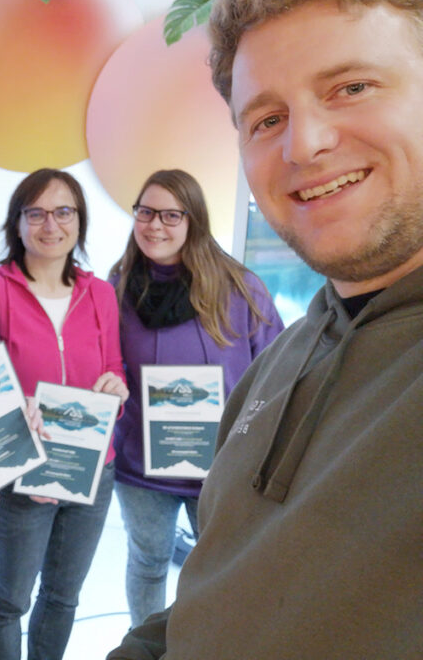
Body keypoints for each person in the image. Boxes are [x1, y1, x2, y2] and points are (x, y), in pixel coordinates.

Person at [107, 0, 423, 659]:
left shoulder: (244, 294)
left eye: (351, 87)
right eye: (267, 118)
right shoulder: (283, 362)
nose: (303, 144)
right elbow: (218, 587)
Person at [107, 168, 283, 629]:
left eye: (171, 215)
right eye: (146, 212)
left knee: (222, 569)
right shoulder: (118, 287)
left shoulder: (241, 289)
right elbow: (106, 364)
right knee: (147, 561)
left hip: (220, 466)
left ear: (194, 220)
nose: (155, 225)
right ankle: (147, 649)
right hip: (142, 466)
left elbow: (277, 374)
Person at [0, 169, 128, 660]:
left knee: (64, 596)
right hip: (23, 471)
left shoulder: (100, 293)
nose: (51, 225)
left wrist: (117, 390)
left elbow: (113, 368)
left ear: (79, 221)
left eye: (64, 211)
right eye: (37, 213)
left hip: (93, 468)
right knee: (8, 601)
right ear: (18, 223)